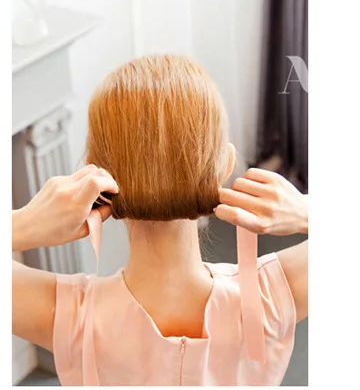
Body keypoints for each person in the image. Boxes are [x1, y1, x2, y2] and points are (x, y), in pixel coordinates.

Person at [12, 55, 308, 386]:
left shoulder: (69, 316)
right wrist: (307, 210)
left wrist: (21, 224)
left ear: (96, 174)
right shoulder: (272, 296)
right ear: (224, 166)